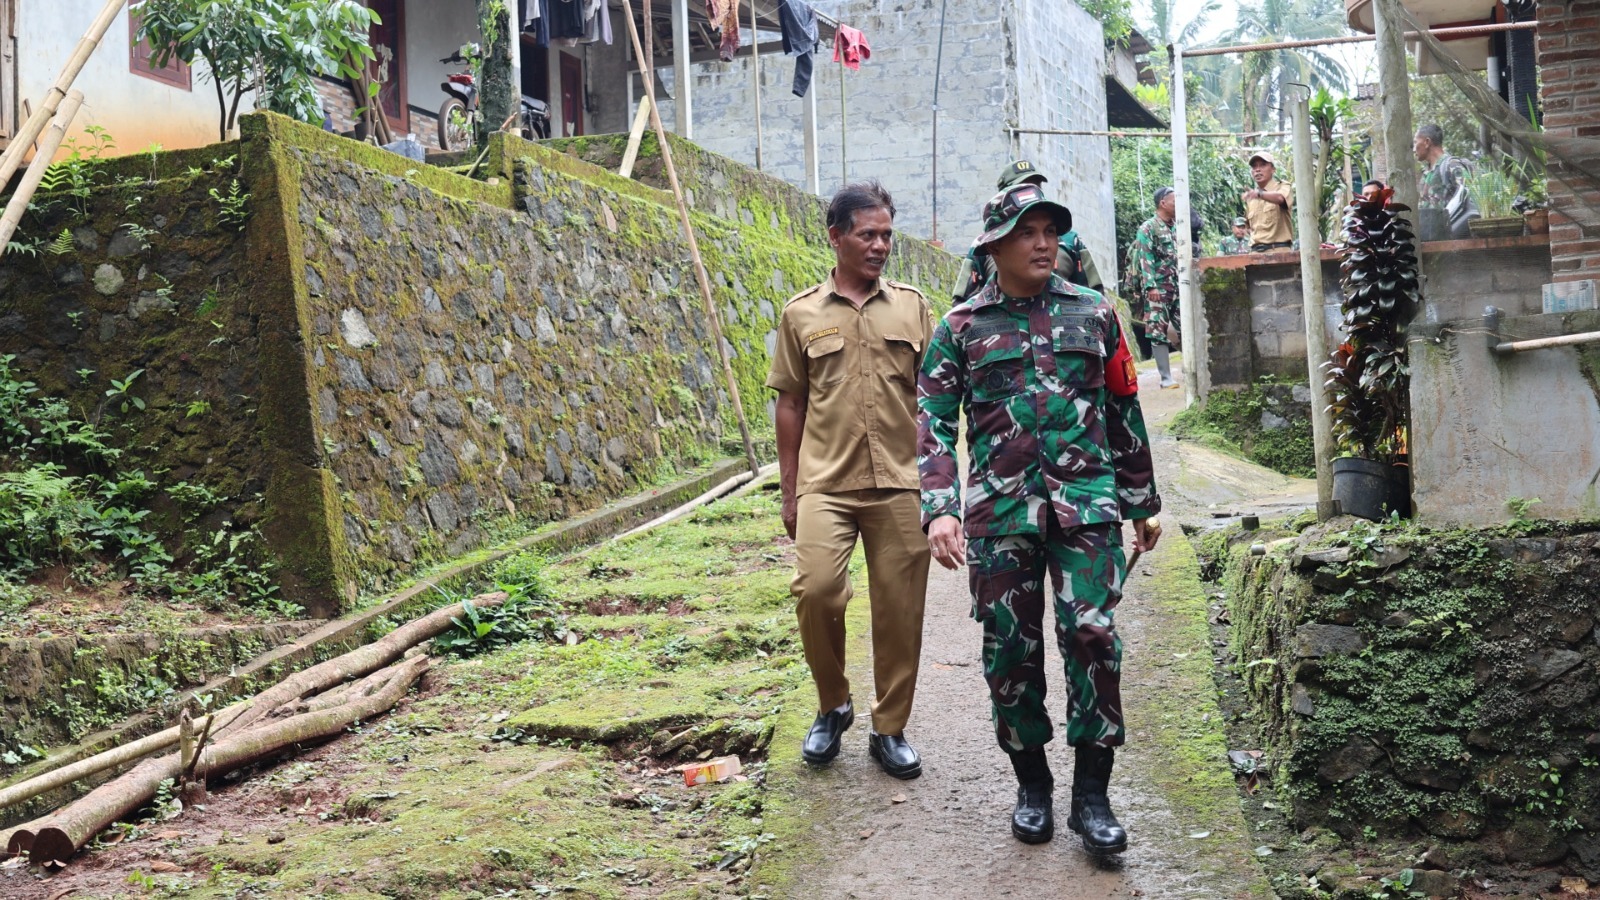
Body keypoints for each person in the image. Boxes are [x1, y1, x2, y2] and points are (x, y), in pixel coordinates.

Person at [917, 182, 1162, 855]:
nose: (1044, 242)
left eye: (1051, 230)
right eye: (1028, 231)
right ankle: (1032, 785)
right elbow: (933, 424)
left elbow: (1123, 410)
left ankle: (1093, 797)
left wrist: (1142, 502)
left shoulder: (1095, 315)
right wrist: (939, 509)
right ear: (994, 244)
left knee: (1093, 635)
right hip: (1000, 515)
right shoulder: (960, 328)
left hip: (1087, 506)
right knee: (1009, 652)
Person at [766, 181, 934, 780]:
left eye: (887, 234)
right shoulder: (801, 314)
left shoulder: (912, 307)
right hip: (826, 484)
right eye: (868, 234)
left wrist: (940, 488)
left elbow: (934, 401)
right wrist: (790, 490)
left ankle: (889, 728)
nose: (880, 245)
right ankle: (832, 703)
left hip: (899, 481)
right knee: (816, 591)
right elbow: (790, 403)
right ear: (835, 236)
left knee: (899, 610)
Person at [952, 160, 1104, 301]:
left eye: (1035, 186)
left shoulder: (1070, 240)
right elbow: (963, 301)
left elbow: (1095, 296)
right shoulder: (986, 245)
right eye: (1021, 188)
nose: (1043, 245)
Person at [1131, 186, 1182, 389]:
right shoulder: (1148, 228)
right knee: (1157, 329)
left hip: (1178, 287)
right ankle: (1166, 378)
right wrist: (1150, 287)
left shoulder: (1178, 227)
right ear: (1163, 203)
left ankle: (1192, 369)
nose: (1178, 205)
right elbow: (1145, 258)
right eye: (1174, 200)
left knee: (1183, 326)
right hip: (1158, 288)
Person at [1414, 124, 1476, 240]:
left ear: (1427, 142)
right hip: (1432, 240)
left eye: (1415, 142)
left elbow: (1469, 197)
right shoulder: (1427, 174)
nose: (1413, 149)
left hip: (1454, 240)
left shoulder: (1452, 165)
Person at [1241, 150, 1294, 251]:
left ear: (1273, 169)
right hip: (1255, 253)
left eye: (1263, 165)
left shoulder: (1282, 187)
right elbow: (1248, 226)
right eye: (1254, 167)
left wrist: (1259, 194)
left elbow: (1280, 198)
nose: (1257, 170)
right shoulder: (1251, 198)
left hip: (1279, 252)